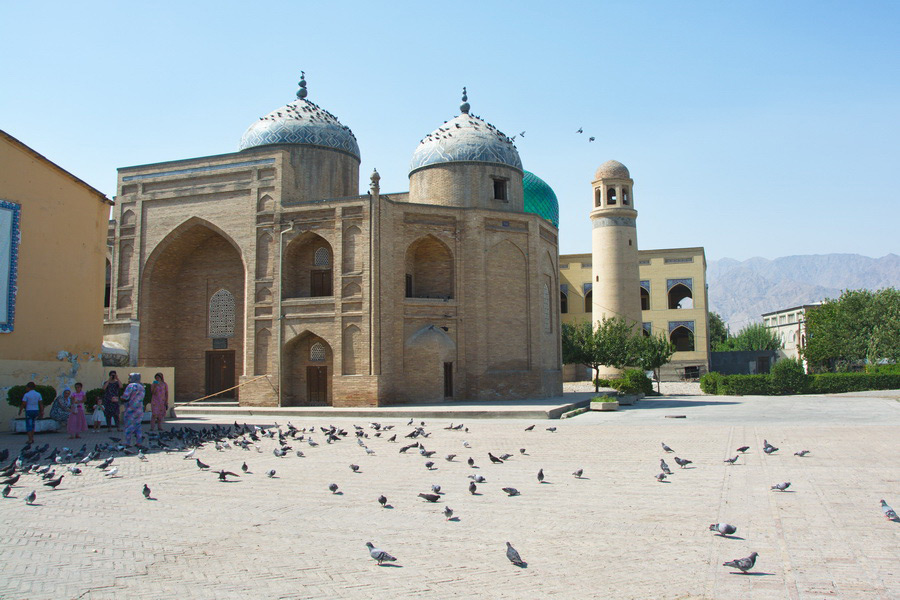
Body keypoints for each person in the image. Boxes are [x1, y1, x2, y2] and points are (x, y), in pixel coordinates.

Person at [121, 373, 145, 446]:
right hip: (140, 409)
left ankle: (128, 442)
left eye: (130, 377)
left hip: (131, 409)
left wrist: (120, 398)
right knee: (138, 426)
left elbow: (125, 396)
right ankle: (139, 442)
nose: (129, 379)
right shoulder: (142, 386)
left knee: (129, 425)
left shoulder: (131, 386)